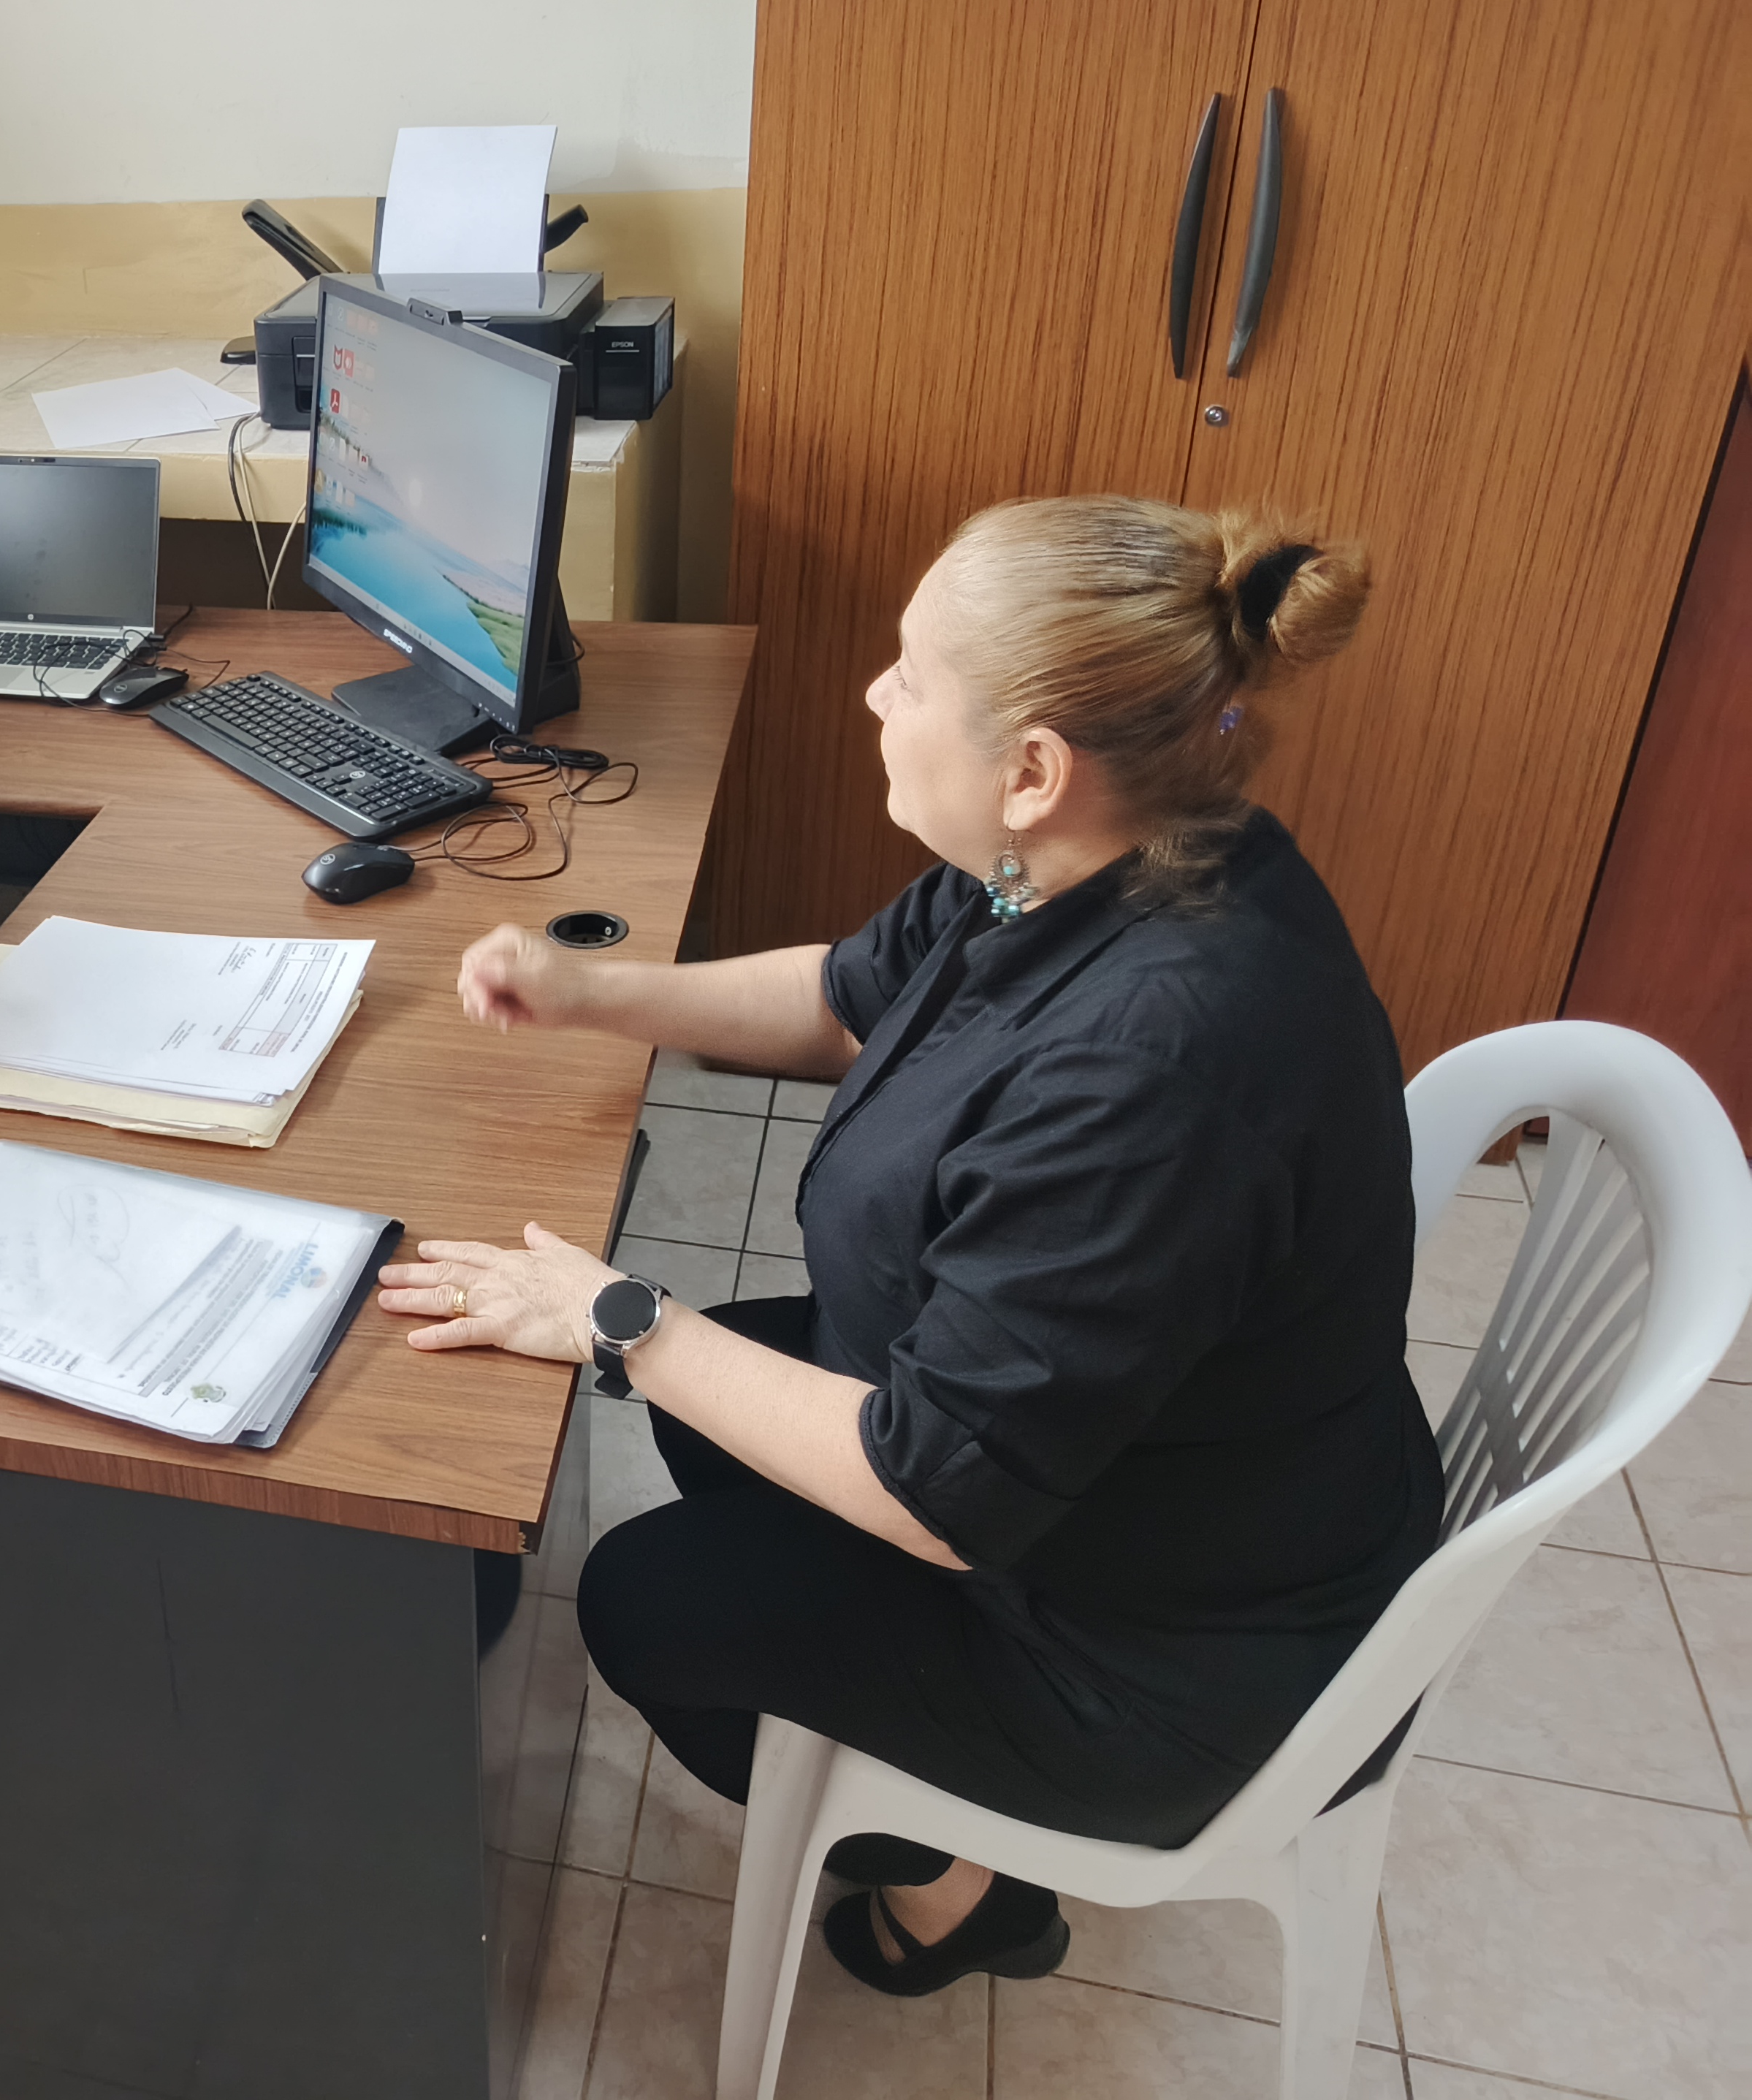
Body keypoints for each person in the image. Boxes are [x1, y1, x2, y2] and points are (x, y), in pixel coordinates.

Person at [376, 496, 1442, 1996]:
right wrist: (594, 993)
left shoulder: (1154, 1071)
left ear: (1032, 769)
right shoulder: (1091, 853)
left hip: (1163, 1657)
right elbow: (847, 996)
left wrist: (614, 1315)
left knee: (647, 1595)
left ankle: (964, 1892)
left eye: (912, 674)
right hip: (1142, 1483)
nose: (876, 694)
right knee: (710, 1408)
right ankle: (929, 1787)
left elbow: (931, 1489)